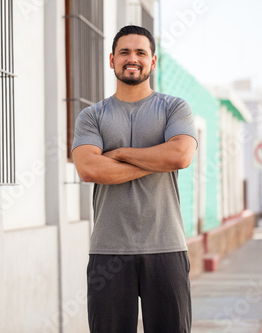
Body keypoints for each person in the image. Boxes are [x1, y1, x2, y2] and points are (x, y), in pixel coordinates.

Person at [71, 25, 197, 333]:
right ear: (111, 59)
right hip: (108, 249)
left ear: (153, 62)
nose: (133, 58)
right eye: (125, 52)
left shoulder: (174, 107)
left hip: (166, 247)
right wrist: (158, 159)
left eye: (141, 52)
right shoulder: (92, 115)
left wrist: (119, 153)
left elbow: (180, 156)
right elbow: (90, 169)